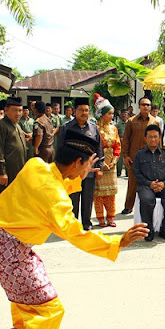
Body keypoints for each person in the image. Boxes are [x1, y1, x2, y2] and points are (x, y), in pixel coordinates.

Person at [0, 129, 149, 329]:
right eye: (86, 165)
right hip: (9, 250)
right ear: (76, 162)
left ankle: (23, 323)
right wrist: (116, 243)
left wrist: (78, 176)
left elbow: (51, 184)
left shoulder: (35, 165)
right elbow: (76, 234)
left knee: (29, 279)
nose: (87, 171)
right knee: (51, 310)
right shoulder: (56, 200)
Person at [58, 97, 104, 230]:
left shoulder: (94, 129)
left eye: (87, 110)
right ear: (74, 111)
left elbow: (99, 150)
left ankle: (86, 223)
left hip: (89, 170)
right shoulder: (66, 128)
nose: (84, 113)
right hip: (72, 171)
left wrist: (99, 168)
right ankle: (72, 224)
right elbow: (60, 149)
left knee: (87, 198)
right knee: (72, 197)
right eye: (81, 110)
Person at [133, 125, 165, 242]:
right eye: (150, 137)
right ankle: (149, 231)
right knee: (147, 200)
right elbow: (137, 173)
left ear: (159, 138)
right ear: (145, 138)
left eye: (155, 137)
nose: (153, 139)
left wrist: (164, 183)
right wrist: (149, 183)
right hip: (146, 186)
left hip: (164, 185)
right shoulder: (139, 155)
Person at [121, 97, 158, 215]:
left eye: (148, 105)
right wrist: (126, 156)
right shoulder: (132, 121)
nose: (146, 107)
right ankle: (128, 206)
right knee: (132, 183)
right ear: (139, 106)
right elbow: (126, 139)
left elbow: (158, 140)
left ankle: (148, 206)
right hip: (134, 157)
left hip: (150, 157)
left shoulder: (155, 122)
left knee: (149, 182)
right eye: (143, 104)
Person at [93, 94, 121, 228]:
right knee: (99, 193)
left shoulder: (114, 129)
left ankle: (110, 217)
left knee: (111, 193)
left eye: (112, 114)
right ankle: (100, 218)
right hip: (100, 163)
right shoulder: (95, 129)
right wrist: (101, 163)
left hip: (112, 165)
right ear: (102, 114)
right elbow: (92, 147)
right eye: (109, 113)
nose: (111, 116)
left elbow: (118, 145)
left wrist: (114, 160)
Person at [0, 97, 26, 196]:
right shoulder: (1, 126)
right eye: (15, 110)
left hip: (18, 170)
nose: (18, 113)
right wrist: (2, 172)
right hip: (8, 172)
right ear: (6, 110)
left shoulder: (17, 125)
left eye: (20, 110)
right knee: (6, 200)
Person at [115, 109, 129, 177]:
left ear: (127, 115)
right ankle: (118, 172)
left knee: (127, 158)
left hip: (128, 144)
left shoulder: (130, 124)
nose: (124, 116)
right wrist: (119, 138)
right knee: (119, 159)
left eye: (125, 114)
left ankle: (127, 172)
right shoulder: (117, 125)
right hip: (120, 144)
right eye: (123, 114)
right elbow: (115, 133)